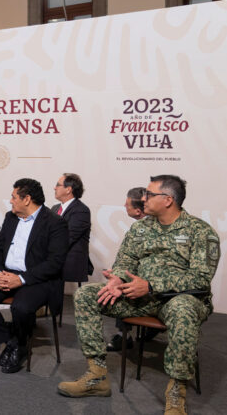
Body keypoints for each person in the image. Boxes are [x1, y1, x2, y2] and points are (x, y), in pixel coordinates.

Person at [58, 175, 220, 415]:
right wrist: (117, 279)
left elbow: (199, 279)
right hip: (138, 296)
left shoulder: (200, 232)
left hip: (178, 299)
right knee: (87, 295)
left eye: (149, 194)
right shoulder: (141, 228)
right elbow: (125, 260)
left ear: (168, 200)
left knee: (183, 309)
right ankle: (97, 375)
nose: (143, 198)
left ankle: (176, 392)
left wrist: (152, 285)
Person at [0, 178, 68, 373]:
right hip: (6, 273)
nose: (10, 201)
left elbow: (55, 263)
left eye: (14, 197)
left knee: (21, 308)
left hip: (37, 278)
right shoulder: (11, 217)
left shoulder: (55, 223)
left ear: (27, 199)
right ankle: (13, 341)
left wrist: (21, 279)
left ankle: (21, 343)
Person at [107, 186, 147, 352]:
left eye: (127, 204)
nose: (124, 205)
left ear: (138, 211)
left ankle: (124, 335)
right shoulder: (137, 229)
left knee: (124, 285)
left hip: (148, 284)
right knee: (120, 279)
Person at [50, 173, 92, 285]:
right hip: (54, 254)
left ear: (68, 189)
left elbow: (68, 238)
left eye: (58, 185)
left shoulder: (81, 210)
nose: (54, 188)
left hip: (69, 258)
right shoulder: (55, 208)